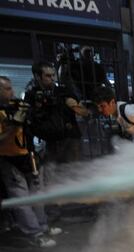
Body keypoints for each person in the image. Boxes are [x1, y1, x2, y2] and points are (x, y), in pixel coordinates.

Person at [0, 76, 61, 248]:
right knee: (21, 199)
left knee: (37, 195)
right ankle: (35, 233)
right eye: (6, 89)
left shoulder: (15, 107)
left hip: (29, 156)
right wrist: (13, 125)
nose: (11, 92)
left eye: (11, 88)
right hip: (10, 160)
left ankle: (42, 226)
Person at [24, 61, 88, 163]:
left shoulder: (63, 91)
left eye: (53, 75)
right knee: (53, 171)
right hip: (49, 140)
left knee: (74, 170)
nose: (52, 78)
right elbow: (29, 118)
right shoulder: (32, 95)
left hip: (70, 137)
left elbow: (83, 112)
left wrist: (74, 105)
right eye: (48, 76)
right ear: (37, 76)